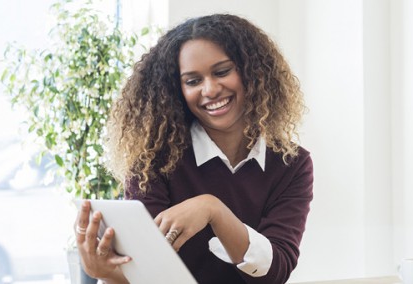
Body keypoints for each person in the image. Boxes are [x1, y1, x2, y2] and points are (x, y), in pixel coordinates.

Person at [74, 14, 313, 284]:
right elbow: (149, 273)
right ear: (177, 89)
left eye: (222, 72)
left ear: (253, 73)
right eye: (192, 81)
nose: (209, 90)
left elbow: (274, 273)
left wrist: (213, 210)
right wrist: (108, 274)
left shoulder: (291, 164)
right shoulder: (154, 160)